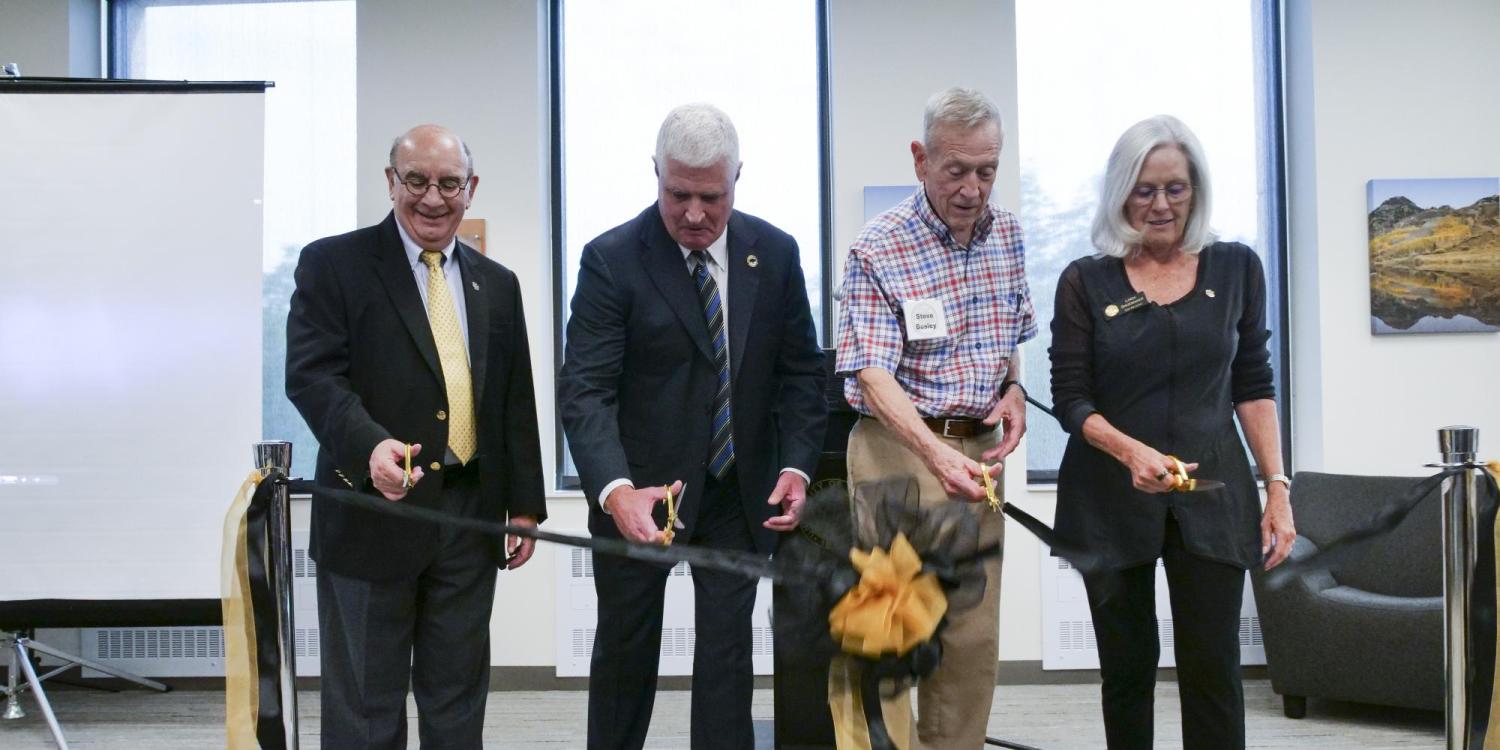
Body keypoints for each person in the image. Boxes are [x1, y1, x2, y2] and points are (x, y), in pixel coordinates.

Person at [558, 103, 826, 750]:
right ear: (656, 174)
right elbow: (585, 389)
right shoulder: (611, 260)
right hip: (641, 493)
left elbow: (802, 376)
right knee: (626, 654)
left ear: (739, 178)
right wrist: (616, 490)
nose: (696, 213)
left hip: (738, 489)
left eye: (713, 195)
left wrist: (796, 466)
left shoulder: (776, 253)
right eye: (679, 194)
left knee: (728, 661)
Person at [285, 124, 546, 748]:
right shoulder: (334, 264)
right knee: (366, 707)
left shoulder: (497, 283)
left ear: (471, 188)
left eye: (449, 183)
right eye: (417, 181)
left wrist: (528, 506)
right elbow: (313, 377)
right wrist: (369, 445)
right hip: (371, 510)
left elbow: (514, 400)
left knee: (456, 700)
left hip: (469, 519)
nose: (433, 198)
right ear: (390, 182)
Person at [1049, 114, 1295, 750]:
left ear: (1196, 189)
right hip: (1108, 495)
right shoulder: (1084, 279)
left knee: (1213, 670)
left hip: (1212, 496)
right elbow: (1071, 399)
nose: (1160, 204)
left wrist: (1277, 487)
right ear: (1121, 193)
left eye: (1175, 188)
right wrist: (1131, 452)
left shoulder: (1238, 267)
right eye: (1144, 189)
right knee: (1126, 672)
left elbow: (1253, 384)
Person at [833, 86, 1037, 750]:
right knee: (887, 633)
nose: (973, 188)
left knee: (969, 638)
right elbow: (870, 371)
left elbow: (1007, 338)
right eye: (957, 169)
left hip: (978, 460)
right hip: (898, 452)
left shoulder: (1006, 235)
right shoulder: (878, 248)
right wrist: (934, 452)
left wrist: (1012, 389)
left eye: (987, 170)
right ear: (921, 160)